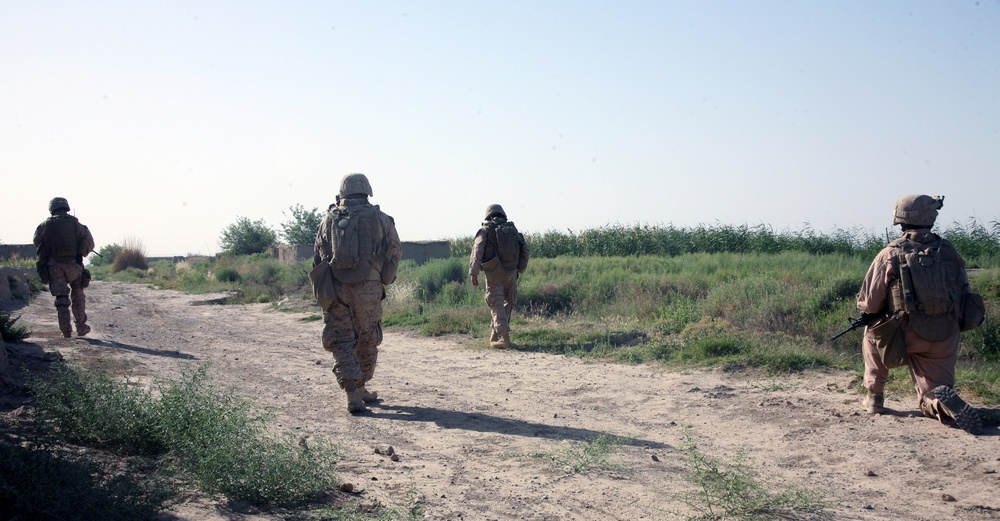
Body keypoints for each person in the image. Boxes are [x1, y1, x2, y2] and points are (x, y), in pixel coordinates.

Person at [856, 194, 982, 434]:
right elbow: (964, 292)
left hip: (904, 334)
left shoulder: (890, 254)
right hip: (944, 336)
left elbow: (870, 304)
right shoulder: (949, 253)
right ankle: (939, 404)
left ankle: (875, 396)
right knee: (934, 391)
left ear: (901, 221)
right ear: (931, 218)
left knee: (871, 330)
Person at [313, 173, 401, 414]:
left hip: (336, 286)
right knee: (367, 335)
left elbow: (319, 256)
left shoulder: (327, 220)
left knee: (341, 338)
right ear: (367, 191)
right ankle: (360, 383)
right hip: (368, 286)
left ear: (342, 193)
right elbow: (394, 250)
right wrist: (384, 276)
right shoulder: (381, 218)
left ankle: (354, 390)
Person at [33, 197, 95, 338]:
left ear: (52, 208)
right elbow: (89, 241)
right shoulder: (76, 223)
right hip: (74, 265)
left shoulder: (45, 225)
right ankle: (81, 327)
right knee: (78, 296)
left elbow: (37, 242)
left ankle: (66, 331)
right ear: (66, 208)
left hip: (54, 266)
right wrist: (80, 253)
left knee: (61, 300)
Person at [469, 204, 529, 348]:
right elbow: (525, 250)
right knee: (508, 301)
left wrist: (474, 271)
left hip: (493, 272)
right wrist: (519, 268)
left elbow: (477, 250)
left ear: (488, 215)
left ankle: (505, 339)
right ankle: (495, 334)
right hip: (511, 272)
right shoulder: (513, 230)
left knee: (495, 303)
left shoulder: (485, 230)